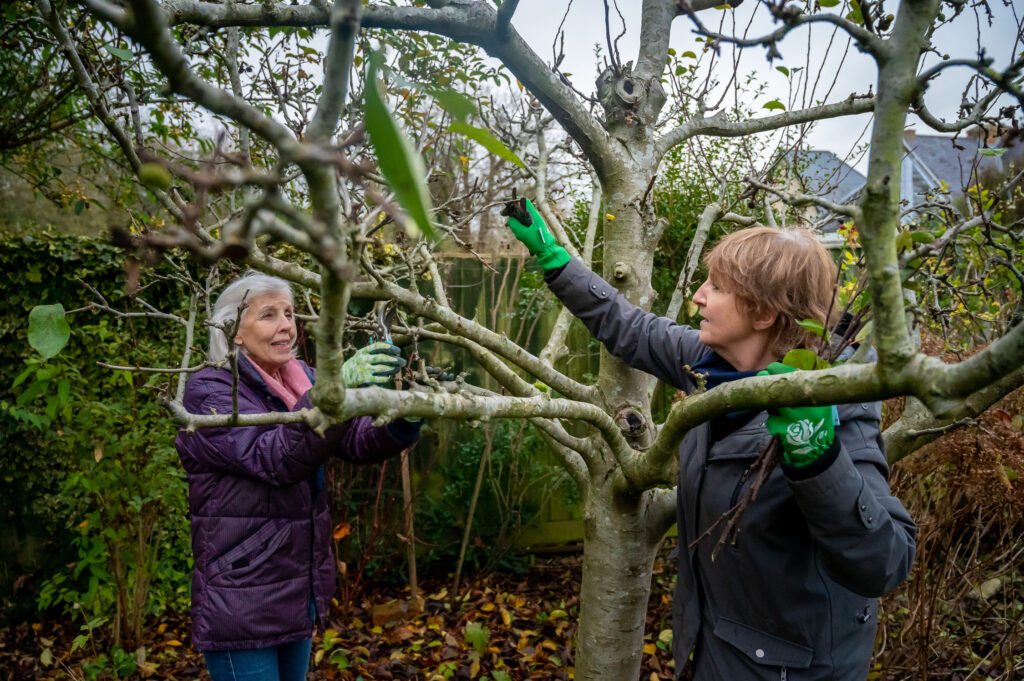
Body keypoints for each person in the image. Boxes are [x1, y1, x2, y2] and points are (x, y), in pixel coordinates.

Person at [505, 200, 916, 680]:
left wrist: (818, 457)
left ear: (762, 313)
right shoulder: (712, 366)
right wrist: (558, 264)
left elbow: (885, 563)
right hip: (711, 656)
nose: (698, 296)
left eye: (716, 287)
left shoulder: (835, 405)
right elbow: (631, 328)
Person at [174, 272, 420, 681]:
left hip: (295, 585)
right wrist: (333, 387)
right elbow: (275, 458)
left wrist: (406, 417)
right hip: (242, 594)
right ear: (233, 331)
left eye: (288, 313)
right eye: (268, 315)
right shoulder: (211, 391)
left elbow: (354, 442)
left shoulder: (300, 377)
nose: (286, 325)